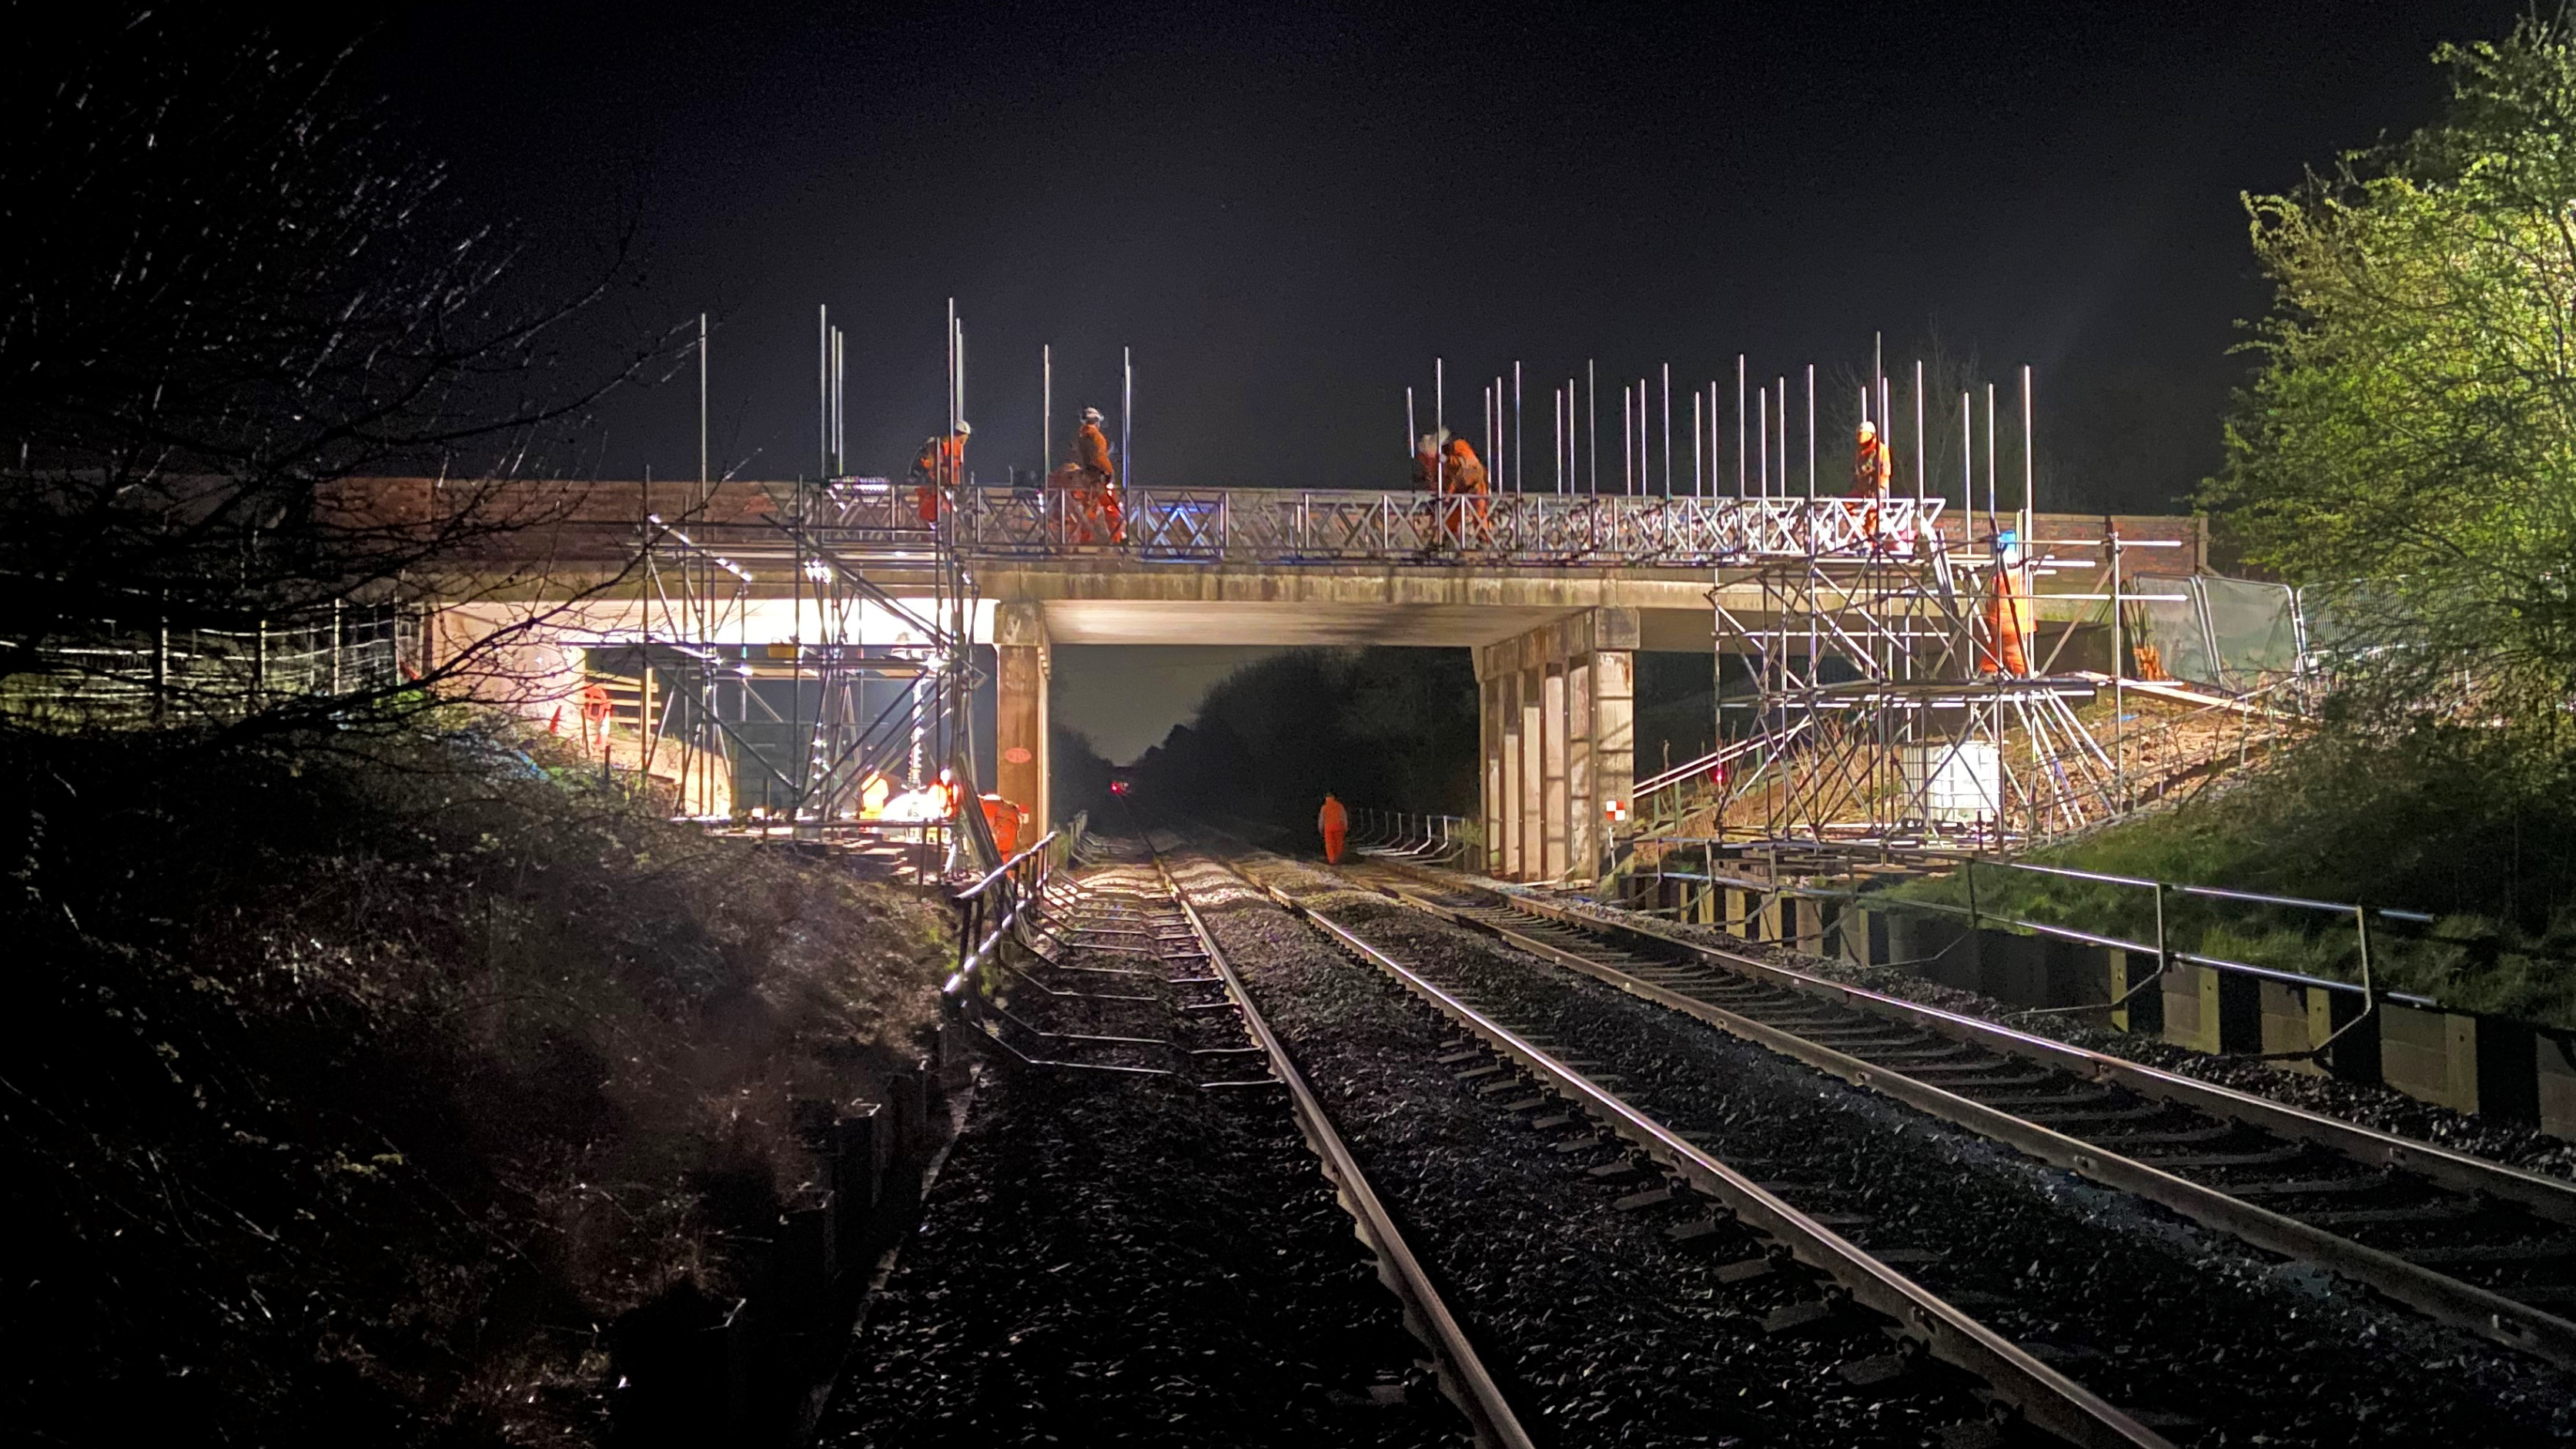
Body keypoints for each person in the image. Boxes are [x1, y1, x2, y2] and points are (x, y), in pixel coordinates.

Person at [1979, 530, 2034, 676]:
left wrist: (1995, 622)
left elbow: (2002, 606)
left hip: (2010, 626)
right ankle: (1990, 673)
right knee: (1997, 653)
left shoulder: (2005, 579)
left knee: (2013, 655)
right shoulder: (2015, 575)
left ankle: (2027, 678)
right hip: (2013, 625)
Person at [1066, 407, 1122, 544]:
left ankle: (1086, 539)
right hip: (1101, 478)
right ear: (1097, 421)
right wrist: (1108, 473)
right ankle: (1117, 539)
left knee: (1089, 510)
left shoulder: (1083, 436)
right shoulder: (1094, 436)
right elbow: (1098, 457)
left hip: (1089, 477)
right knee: (1112, 509)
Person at [911, 421, 969, 524]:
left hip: (929, 481)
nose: (966, 440)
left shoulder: (942, 444)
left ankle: (936, 528)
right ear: (960, 434)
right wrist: (960, 488)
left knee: (933, 510)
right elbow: (952, 468)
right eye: (965, 437)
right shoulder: (952, 445)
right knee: (941, 508)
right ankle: (939, 529)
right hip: (933, 482)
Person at [1437, 433, 1490, 548]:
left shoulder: (1459, 447)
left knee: (1479, 512)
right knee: (1454, 511)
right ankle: (1449, 537)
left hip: (1475, 485)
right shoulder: (1448, 460)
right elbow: (1452, 478)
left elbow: (1469, 467)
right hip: (1462, 487)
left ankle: (1484, 540)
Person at [1318, 792, 1350, 865]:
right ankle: (1338, 858)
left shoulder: (1324, 807)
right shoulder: (1340, 806)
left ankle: (1332, 860)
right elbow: (1344, 817)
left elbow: (1321, 819)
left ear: (1326, 798)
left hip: (1328, 828)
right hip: (1339, 827)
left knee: (1329, 845)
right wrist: (1345, 827)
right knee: (1339, 843)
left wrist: (1320, 828)